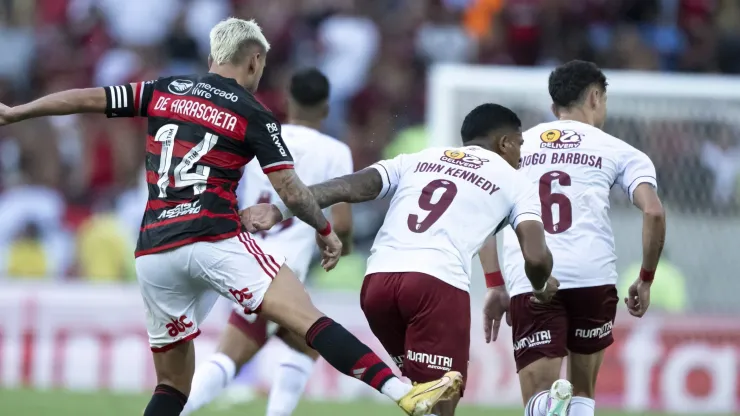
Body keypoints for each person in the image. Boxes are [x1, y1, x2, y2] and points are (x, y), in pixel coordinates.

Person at [0, 18, 460, 416]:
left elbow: (88, 98)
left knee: (172, 386)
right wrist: (324, 230)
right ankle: (406, 393)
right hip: (214, 237)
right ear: (254, 60)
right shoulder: (251, 112)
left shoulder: (164, 90)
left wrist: (20, 111)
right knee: (309, 321)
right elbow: (292, 191)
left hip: (155, 249)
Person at [242, 103, 560, 416]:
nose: (522, 155)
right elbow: (534, 256)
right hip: (435, 286)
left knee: (420, 397)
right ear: (504, 143)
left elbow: (350, 186)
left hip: (378, 285)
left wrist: (281, 209)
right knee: (439, 406)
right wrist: (541, 285)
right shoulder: (517, 181)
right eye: (520, 145)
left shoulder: (420, 158)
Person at [482, 60, 666, 416]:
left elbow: (485, 218)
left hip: (532, 277)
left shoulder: (514, 148)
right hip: (592, 277)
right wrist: (645, 279)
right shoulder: (620, 151)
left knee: (537, 397)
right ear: (596, 97)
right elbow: (654, 211)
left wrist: (494, 284)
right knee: (584, 393)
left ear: (555, 108)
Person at [183, 68, 354, 416]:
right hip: (278, 270)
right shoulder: (335, 151)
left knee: (306, 346)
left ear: (288, 102)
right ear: (326, 109)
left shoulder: (260, 135)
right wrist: (341, 244)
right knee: (230, 356)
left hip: (247, 254)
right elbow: (344, 223)